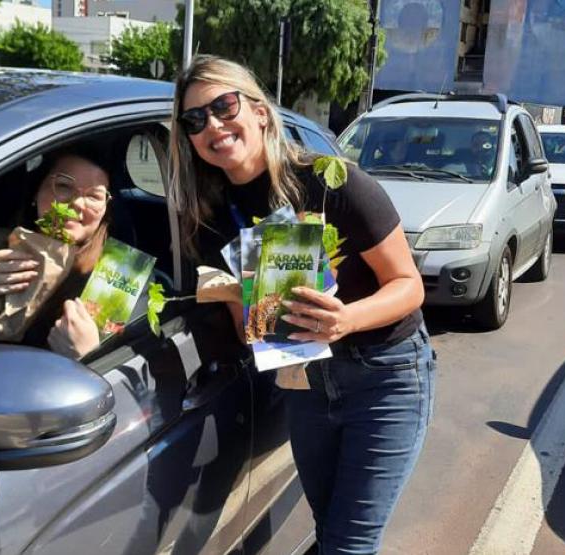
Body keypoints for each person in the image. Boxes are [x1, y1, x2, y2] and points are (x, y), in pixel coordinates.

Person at [169, 55, 436, 554]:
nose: (214, 125)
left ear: (260, 111)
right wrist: (244, 307)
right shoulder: (211, 221)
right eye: (195, 119)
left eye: (224, 106)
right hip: (306, 386)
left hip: (385, 376)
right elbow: (250, 333)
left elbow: (408, 285)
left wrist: (347, 318)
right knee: (330, 530)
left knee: (348, 545)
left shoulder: (331, 180)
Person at [0, 149, 112, 359]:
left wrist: (87, 356)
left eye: (94, 196)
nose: (77, 203)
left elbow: (116, 376)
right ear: (36, 191)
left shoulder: (112, 280)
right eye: (64, 186)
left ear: (105, 211)